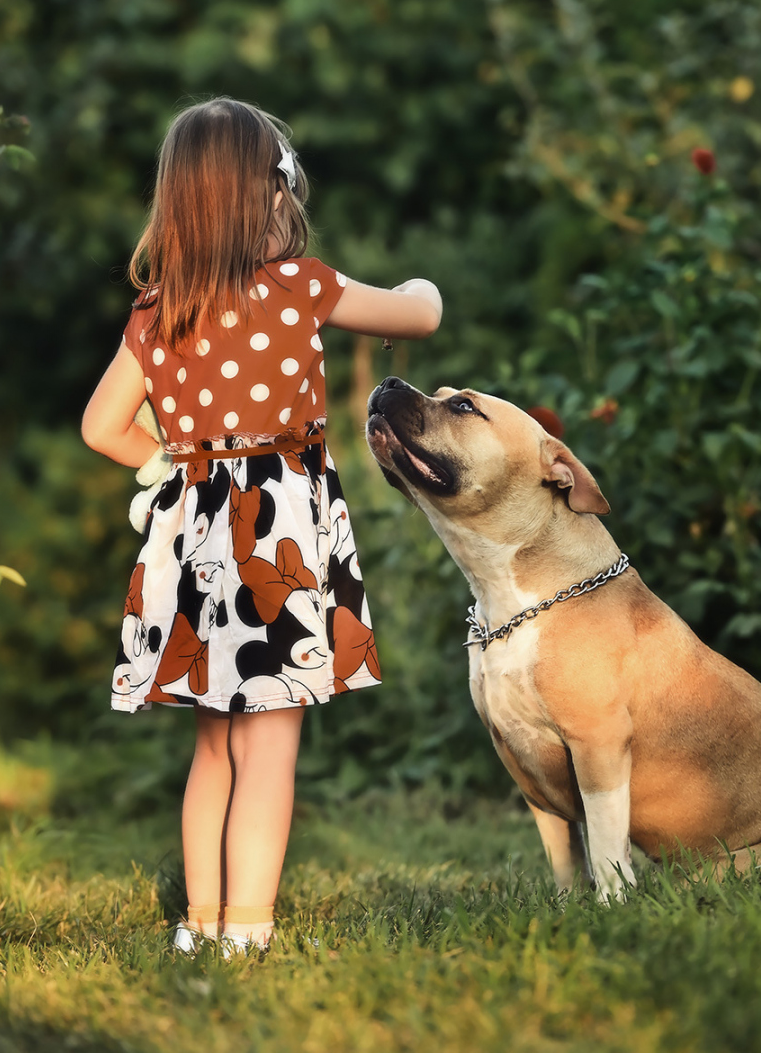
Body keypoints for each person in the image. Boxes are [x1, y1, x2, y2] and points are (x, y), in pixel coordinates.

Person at [82, 96, 441, 954]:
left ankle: (198, 925)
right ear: (266, 195)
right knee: (270, 749)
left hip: (197, 536)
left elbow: (102, 427)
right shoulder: (302, 288)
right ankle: (248, 931)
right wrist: (421, 286)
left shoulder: (155, 312)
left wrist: (171, 464)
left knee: (215, 750)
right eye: (285, 181)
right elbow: (417, 314)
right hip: (277, 533)